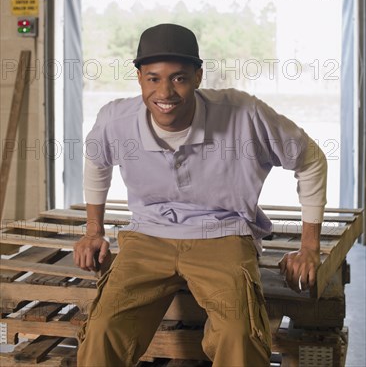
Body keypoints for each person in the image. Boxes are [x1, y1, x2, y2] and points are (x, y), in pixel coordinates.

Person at [74, 23, 327, 367]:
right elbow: (96, 160)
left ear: (198, 76)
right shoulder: (116, 120)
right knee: (102, 329)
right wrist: (93, 230)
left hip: (223, 233)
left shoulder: (243, 114)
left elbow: (310, 160)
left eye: (178, 77)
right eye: (153, 78)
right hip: (148, 234)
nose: (165, 91)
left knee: (240, 335)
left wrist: (309, 248)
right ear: (139, 78)